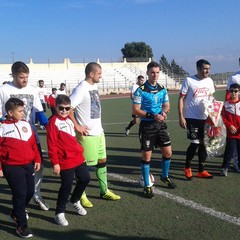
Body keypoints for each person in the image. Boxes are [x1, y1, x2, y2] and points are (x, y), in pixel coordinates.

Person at [69, 62, 121, 208]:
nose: (101, 76)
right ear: (91, 74)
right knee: (84, 167)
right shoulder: (81, 88)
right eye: (99, 74)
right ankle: (81, 196)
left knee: (102, 161)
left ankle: (104, 191)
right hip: (87, 135)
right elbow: (69, 108)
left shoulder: (94, 86)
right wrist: (77, 125)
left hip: (99, 133)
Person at [0, 61, 49, 211]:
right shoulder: (3, 90)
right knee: (17, 174)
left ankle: (36, 194)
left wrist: (50, 127)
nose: (25, 80)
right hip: (12, 139)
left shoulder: (33, 90)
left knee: (38, 167)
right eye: (21, 77)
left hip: (31, 137)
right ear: (13, 75)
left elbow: (40, 113)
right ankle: (21, 205)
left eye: (26, 77)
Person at [132, 61, 176, 199]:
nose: (155, 75)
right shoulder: (140, 90)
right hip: (147, 126)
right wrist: (152, 115)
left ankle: (164, 176)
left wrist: (164, 113)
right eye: (152, 72)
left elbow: (167, 105)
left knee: (168, 152)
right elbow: (136, 110)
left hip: (160, 125)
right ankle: (147, 185)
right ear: (147, 73)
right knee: (146, 156)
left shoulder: (162, 89)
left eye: (157, 72)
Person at [46, 94, 90, 226]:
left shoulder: (70, 119)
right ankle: (59, 213)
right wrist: (55, 163)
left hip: (77, 157)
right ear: (55, 107)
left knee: (85, 178)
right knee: (66, 186)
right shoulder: (53, 122)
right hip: (64, 160)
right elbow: (51, 145)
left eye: (67, 108)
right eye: (61, 108)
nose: (64, 111)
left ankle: (74, 201)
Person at [0, 98, 41, 238]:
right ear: (10, 112)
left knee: (30, 192)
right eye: (20, 111)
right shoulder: (1, 127)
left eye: (23, 110)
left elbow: (33, 145)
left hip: (28, 164)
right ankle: (21, 226)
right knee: (20, 193)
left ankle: (15, 213)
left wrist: (37, 159)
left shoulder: (26, 124)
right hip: (11, 166)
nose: (23, 113)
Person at [178, 59, 215, 180]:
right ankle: (187, 167)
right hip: (192, 117)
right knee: (195, 143)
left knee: (204, 144)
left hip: (206, 118)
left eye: (208, 68)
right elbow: (181, 99)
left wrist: (214, 114)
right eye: (205, 68)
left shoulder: (209, 81)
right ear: (198, 69)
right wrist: (181, 117)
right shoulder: (189, 80)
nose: (207, 71)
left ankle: (201, 170)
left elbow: (211, 97)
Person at [220, 83, 240, 176]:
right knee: (229, 150)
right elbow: (223, 117)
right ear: (229, 92)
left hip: (239, 132)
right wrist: (230, 125)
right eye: (231, 91)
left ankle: (237, 166)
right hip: (231, 132)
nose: (234, 93)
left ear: (239, 92)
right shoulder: (226, 104)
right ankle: (225, 168)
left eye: (236, 91)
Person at [225, 57, 240, 172]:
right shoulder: (234, 77)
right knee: (234, 145)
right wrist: (227, 107)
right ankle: (236, 163)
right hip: (236, 110)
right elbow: (228, 95)